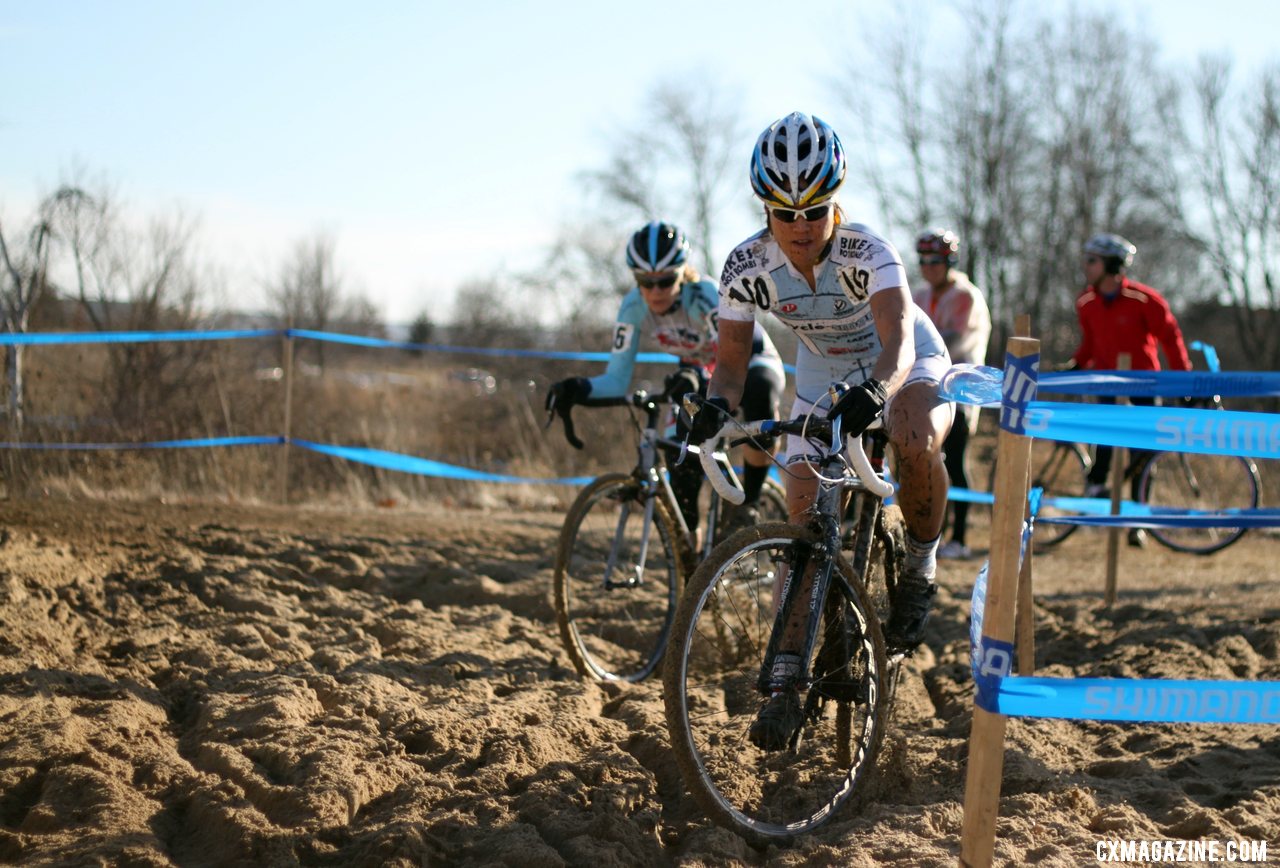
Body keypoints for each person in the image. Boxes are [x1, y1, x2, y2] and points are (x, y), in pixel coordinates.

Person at [687, 112, 954, 751]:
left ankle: (919, 561)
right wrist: (713, 408)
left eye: (815, 210)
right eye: (786, 212)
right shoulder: (745, 266)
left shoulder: (868, 252)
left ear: (835, 200)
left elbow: (897, 347)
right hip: (821, 371)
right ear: (765, 208)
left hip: (905, 361)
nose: (802, 226)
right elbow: (729, 368)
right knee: (803, 517)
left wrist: (880, 393)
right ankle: (787, 679)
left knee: (912, 432)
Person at [545, 221, 786, 549]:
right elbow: (617, 378)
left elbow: (737, 359)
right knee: (680, 457)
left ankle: (751, 504)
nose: (656, 291)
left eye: (665, 281)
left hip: (750, 364)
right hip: (697, 373)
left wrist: (699, 378)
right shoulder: (632, 306)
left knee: (760, 391)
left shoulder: (704, 295)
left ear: (682, 273)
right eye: (647, 282)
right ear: (636, 279)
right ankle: (693, 558)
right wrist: (579, 388)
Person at [1069, 233, 1192, 545]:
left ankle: (1138, 520)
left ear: (1111, 264)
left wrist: (1184, 380)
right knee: (1104, 442)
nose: (1086, 266)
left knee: (1143, 451)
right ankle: (1096, 499)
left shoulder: (1144, 299)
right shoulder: (1086, 301)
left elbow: (1171, 338)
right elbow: (1091, 342)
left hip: (1144, 383)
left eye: (1092, 261)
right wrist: (1076, 364)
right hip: (1107, 381)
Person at [912, 228, 991, 560]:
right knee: (922, 459)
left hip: (961, 389)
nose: (929, 267)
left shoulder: (965, 295)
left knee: (955, 461)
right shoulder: (917, 295)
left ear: (949, 262)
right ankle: (928, 533)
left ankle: (960, 537)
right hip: (926, 388)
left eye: (935, 261)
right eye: (923, 261)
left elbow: (951, 343)